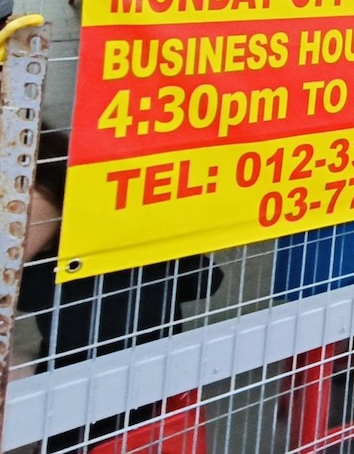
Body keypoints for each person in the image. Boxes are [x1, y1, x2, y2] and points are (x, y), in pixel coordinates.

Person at [20, 129, 224, 451]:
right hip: (160, 404)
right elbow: (206, 281)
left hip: (73, 412)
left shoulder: (44, 272)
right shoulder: (143, 234)